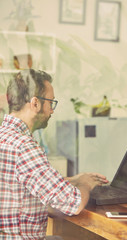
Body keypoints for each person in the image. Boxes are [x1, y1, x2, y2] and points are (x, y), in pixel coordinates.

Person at [0, 69, 108, 240]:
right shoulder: (24, 146)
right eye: (51, 103)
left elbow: (24, 183)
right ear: (35, 103)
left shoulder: (5, 137)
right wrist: (86, 184)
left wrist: (74, 180)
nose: (52, 111)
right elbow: (74, 203)